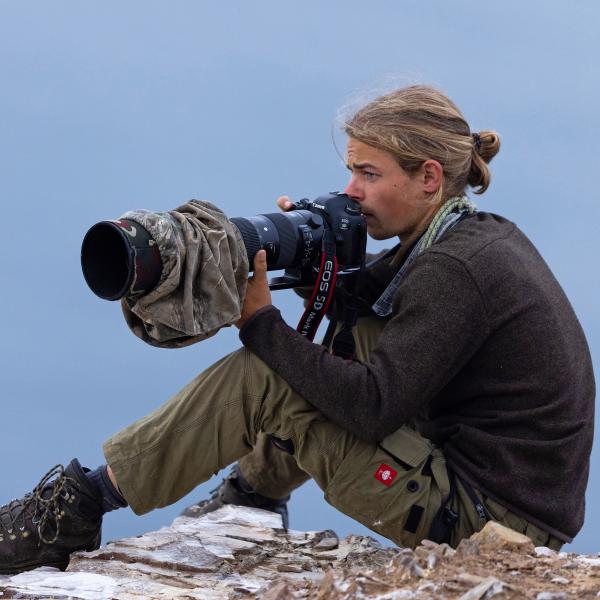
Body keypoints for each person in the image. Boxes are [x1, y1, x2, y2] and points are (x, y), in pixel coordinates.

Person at [0, 85, 594, 575]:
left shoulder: (455, 270)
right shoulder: (471, 236)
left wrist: (261, 324)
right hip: (500, 498)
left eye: (368, 173)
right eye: (350, 171)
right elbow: (371, 312)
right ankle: (253, 499)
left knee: (265, 376)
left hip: (485, 523)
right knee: (351, 338)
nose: (351, 191)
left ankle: (78, 507)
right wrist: (315, 263)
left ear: (429, 177)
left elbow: (372, 407)